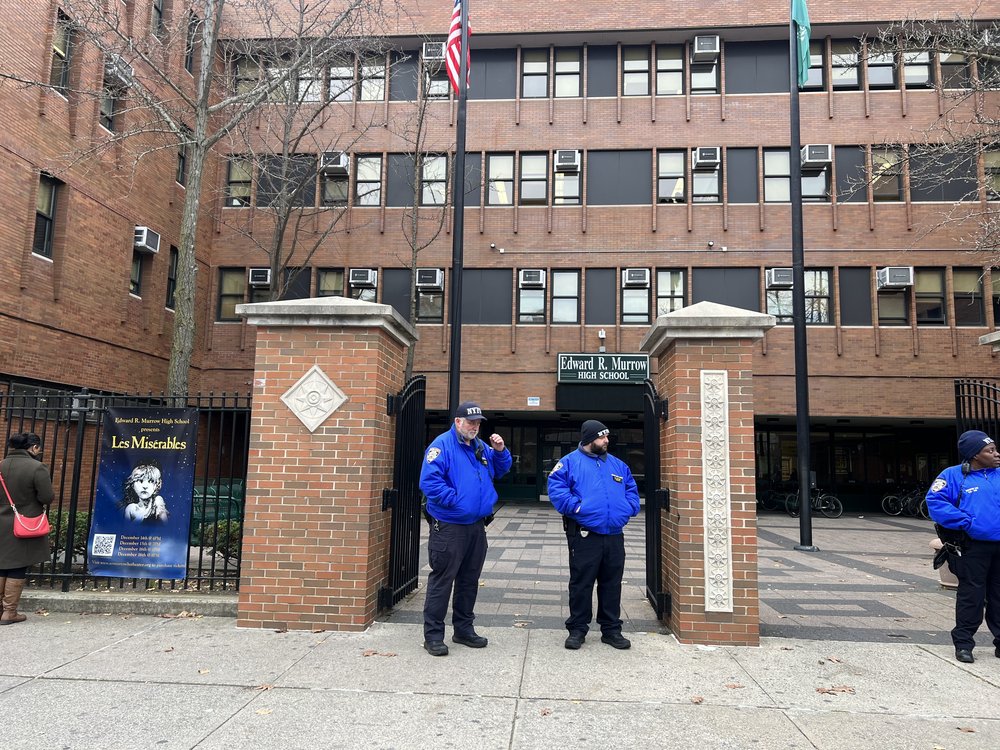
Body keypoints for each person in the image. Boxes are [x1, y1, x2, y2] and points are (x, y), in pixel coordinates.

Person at [419, 401, 512, 656]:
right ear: (458, 422)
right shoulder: (442, 445)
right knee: (442, 580)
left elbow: (500, 469)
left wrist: (501, 450)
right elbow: (429, 482)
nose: (475, 426)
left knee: (469, 581)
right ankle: (433, 636)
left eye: (478, 422)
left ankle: (463, 630)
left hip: (475, 526)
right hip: (450, 527)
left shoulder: (479, 446)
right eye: (471, 422)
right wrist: (457, 501)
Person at [547, 420, 640, 650]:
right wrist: (577, 508)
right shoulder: (569, 462)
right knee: (581, 583)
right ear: (589, 439)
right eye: (601, 437)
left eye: (607, 436)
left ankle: (611, 630)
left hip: (614, 535)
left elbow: (631, 490)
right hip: (585, 535)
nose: (606, 441)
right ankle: (577, 629)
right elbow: (556, 488)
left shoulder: (618, 465)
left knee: (612, 583)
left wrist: (629, 508)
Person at [925, 429, 1000, 663]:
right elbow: (935, 502)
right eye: (990, 450)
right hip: (972, 547)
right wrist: (967, 521)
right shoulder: (953, 475)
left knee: (999, 595)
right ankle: (964, 643)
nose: (997, 454)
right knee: (972, 595)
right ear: (975, 455)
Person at [0, 433, 54, 626]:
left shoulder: (1, 465)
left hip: (1, 523)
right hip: (22, 522)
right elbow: (46, 497)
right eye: (38, 448)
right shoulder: (37, 467)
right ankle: (9, 612)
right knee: (17, 565)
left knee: (2, 564)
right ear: (33, 447)